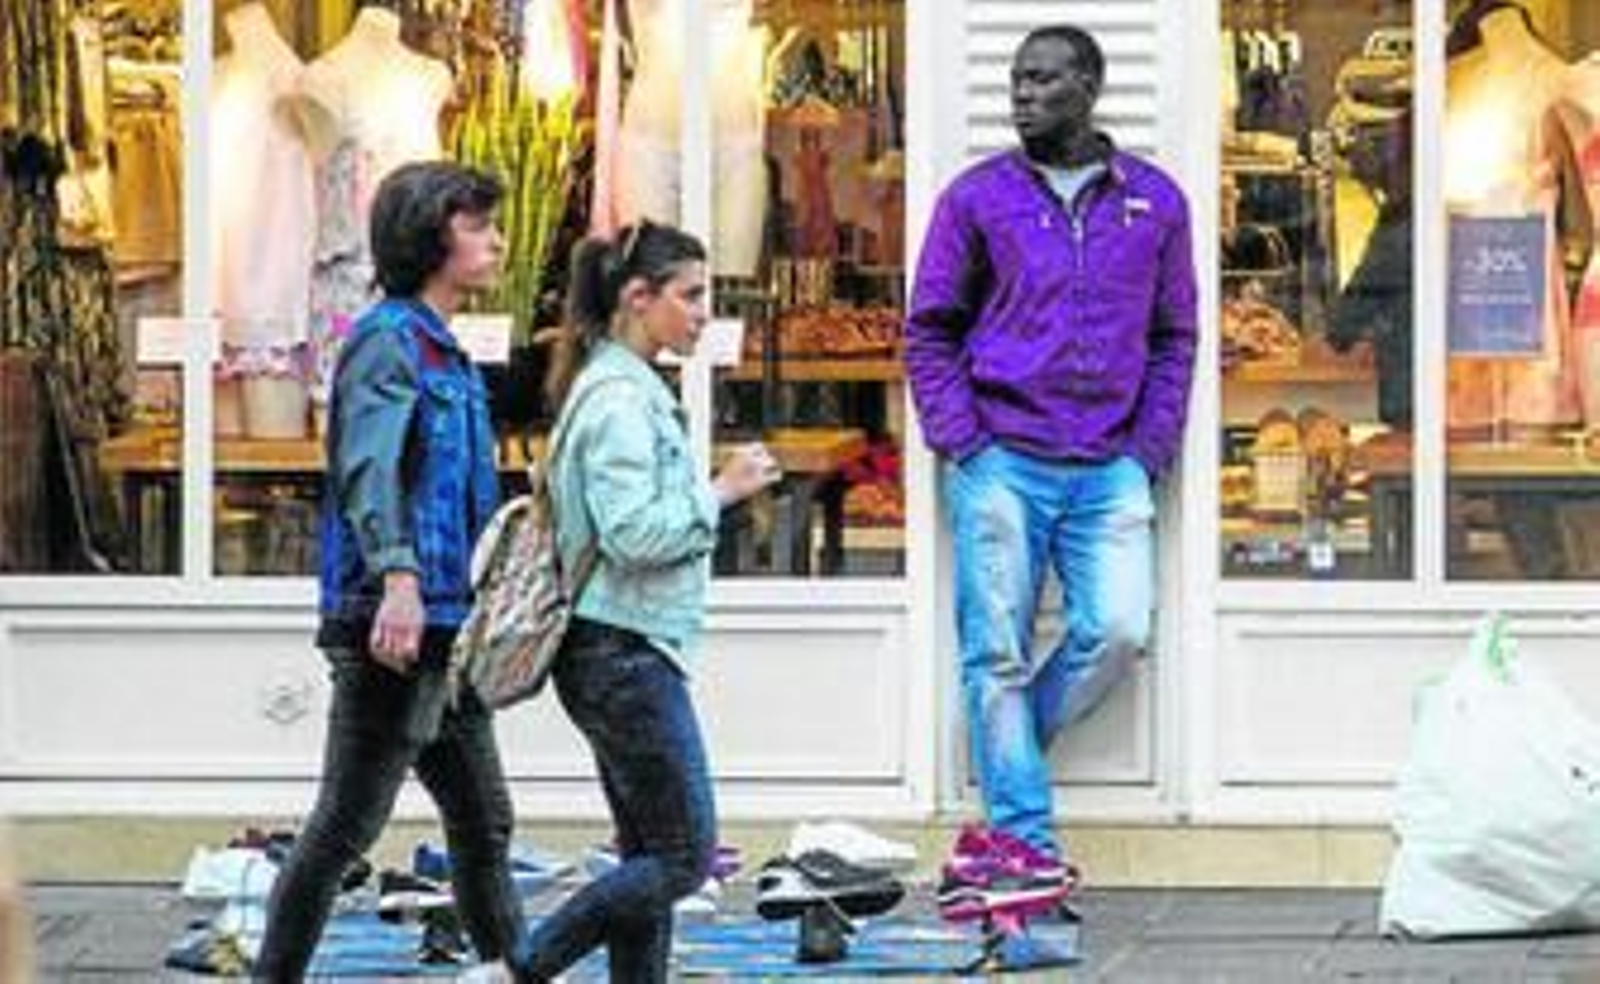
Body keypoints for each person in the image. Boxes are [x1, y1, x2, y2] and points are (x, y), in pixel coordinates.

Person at [904, 24, 1197, 904]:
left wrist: (1149, 448)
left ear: (1090, 87)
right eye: (1017, 80)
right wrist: (962, 440)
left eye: (1043, 81)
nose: (1023, 95)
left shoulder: (1155, 201)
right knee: (992, 651)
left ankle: (1006, 766)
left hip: (1110, 465)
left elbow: (1175, 335)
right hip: (1000, 460)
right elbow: (929, 329)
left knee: (1119, 630)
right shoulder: (977, 199)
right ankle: (1024, 843)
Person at [468, 221, 778, 983]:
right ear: (638, 299)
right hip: (621, 650)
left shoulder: (618, 386)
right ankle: (521, 970)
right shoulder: (618, 400)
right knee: (683, 857)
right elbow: (634, 533)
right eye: (692, 295)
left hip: (620, 647)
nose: (706, 313)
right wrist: (721, 491)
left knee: (648, 854)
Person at [255, 162, 522, 981]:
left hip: (448, 623)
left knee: (484, 824)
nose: (495, 238)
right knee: (345, 825)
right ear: (428, 236)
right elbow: (368, 474)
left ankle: (510, 968)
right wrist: (399, 582)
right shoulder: (389, 341)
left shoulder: (446, 351)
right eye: (476, 224)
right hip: (396, 623)